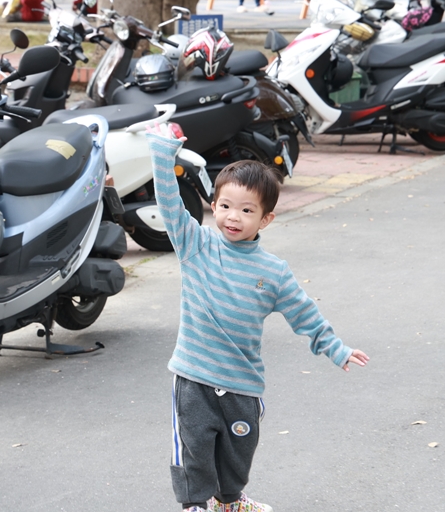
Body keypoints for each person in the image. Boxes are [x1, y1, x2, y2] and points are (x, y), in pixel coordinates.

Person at [145, 127, 369, 512]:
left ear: (265, 219)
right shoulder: (194, 244)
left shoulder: (274, 271)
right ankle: (195, 505)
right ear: (213, 206)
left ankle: (230, 501)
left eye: (247, 210)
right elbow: (168, 204)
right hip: (194, 378)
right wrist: (163, 154)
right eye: (226, 206)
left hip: (242, 384)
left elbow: (304, 313)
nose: (234, 217)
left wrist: (336, 348)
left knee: (237, 453)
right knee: (193, 450)